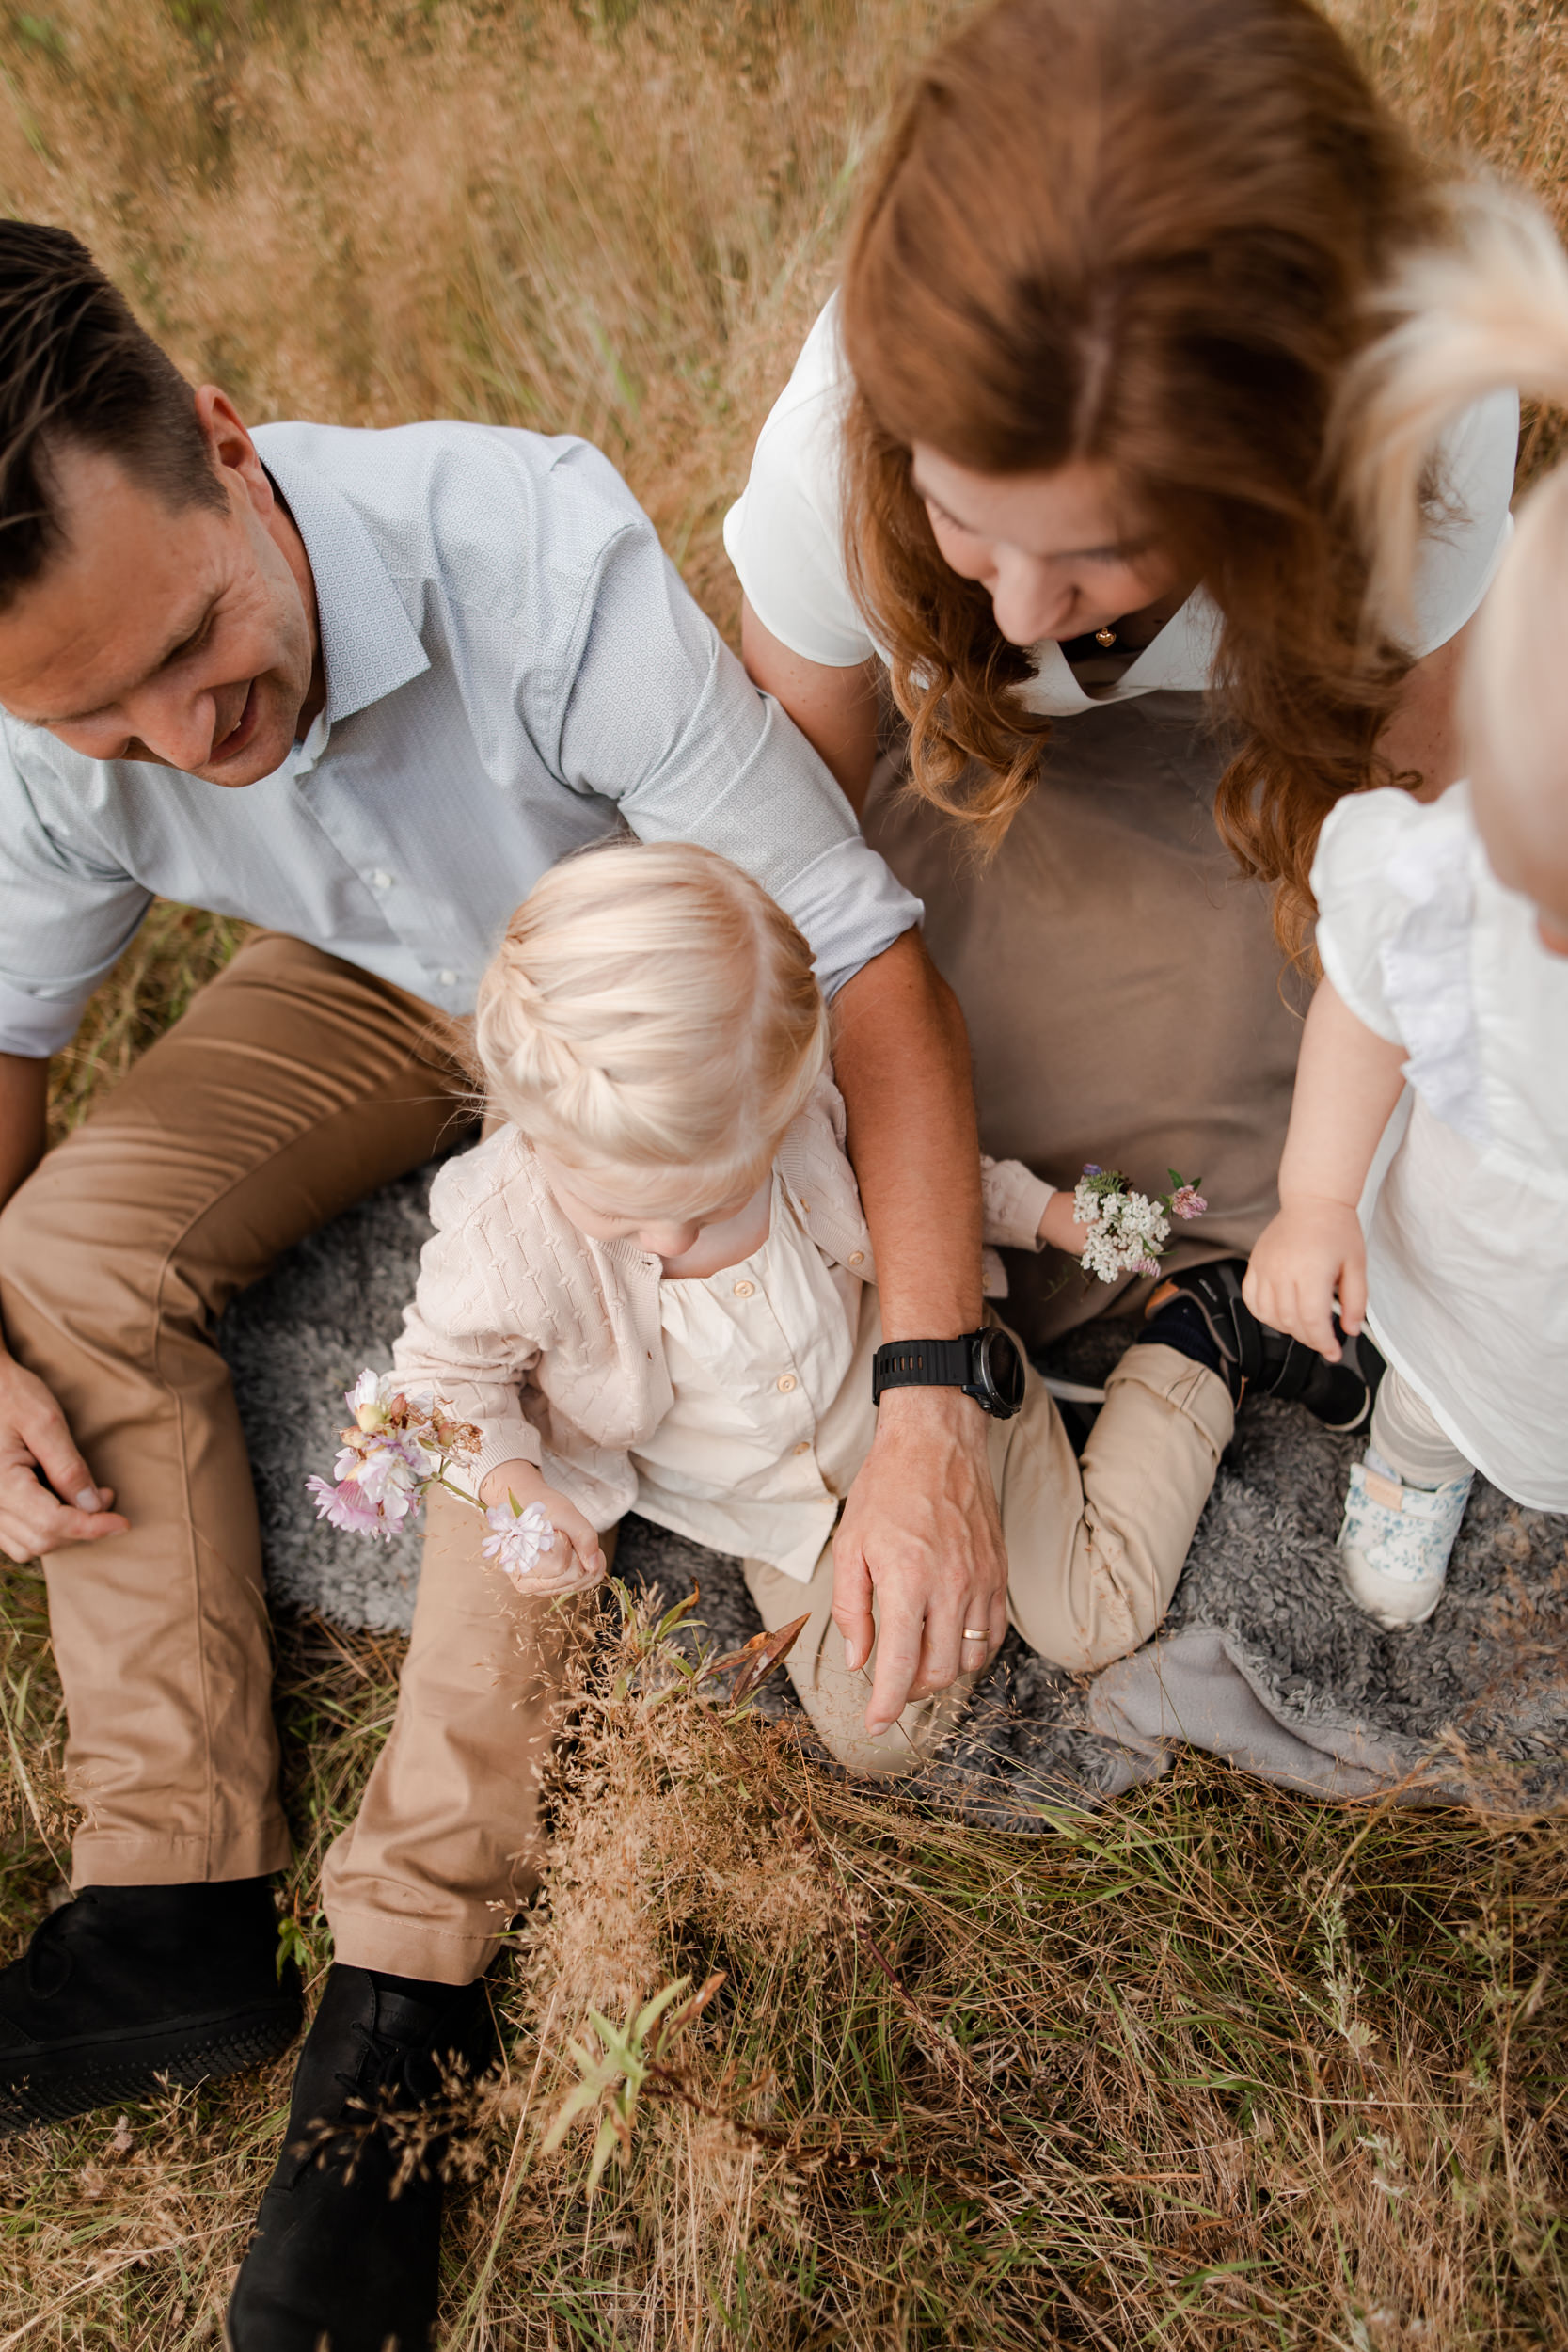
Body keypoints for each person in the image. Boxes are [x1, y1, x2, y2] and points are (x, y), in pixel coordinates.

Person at [0, 224, 986, 2349]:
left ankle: (403, 1999)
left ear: (226, 443)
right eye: (102, 720)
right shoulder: (71, 719)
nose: (183, 735)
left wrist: (929, 1398)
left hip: (611, 989)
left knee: (507, 1404)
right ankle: (165, 1896)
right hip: (363, 989)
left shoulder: (533, 555)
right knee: (56, 1251)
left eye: (194, 646)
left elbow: (864, 956)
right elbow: (7, 1040)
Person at [724, 0, 1516, 1717]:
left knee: (1367, 1125)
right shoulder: (824, 452)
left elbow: (1402, 827)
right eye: (956, 519)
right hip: (1002, 801)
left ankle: (1212, 1318)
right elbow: (794, 864)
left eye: (1092, 552)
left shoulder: (1418, 426)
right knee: (920, 1100)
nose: (1013, 611)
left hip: (1277, 770)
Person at [359, 839, 1234, 1773]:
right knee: (877, 1730)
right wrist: (516, 1491)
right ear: (534, 1129)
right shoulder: (503, 1235)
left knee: (1092, 1614)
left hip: (908, 1393)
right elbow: (438, 1383)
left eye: (705, 1204)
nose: (659, 1239)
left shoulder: (800, 1112)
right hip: (769, 1512)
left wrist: (1054, 1215)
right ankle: (966, 1580)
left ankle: (1196, 1338)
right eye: (616, 1210)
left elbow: (920, 1183)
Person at [1244, 184, 1568, 1628]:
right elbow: (1364, 1016)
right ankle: (1415, 1465)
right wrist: (1315, 1198)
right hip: (1471, 1272)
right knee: (1443, 1399)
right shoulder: (1431, 873)